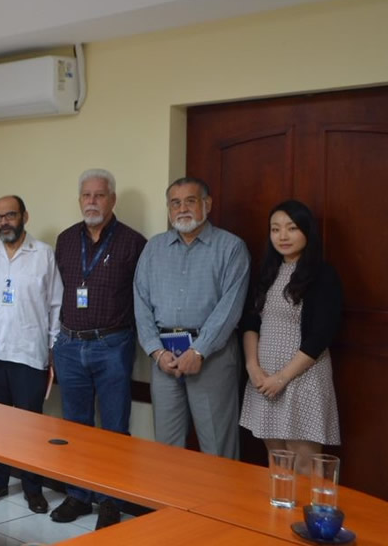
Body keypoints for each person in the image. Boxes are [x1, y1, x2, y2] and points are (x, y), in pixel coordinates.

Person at [51, 169, 146, 529]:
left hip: (112, 345)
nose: (92, 201)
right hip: (70, 344)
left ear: (112, 199)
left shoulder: (134, 242)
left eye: (100, 195)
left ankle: (111, 501)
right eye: (86, 195)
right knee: (75, 428)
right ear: (79, 200)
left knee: (114, 431)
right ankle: (78, 495)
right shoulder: (64, 240)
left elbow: (142, 297)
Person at [134, 177, 250, 459]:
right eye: (175, 203)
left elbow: (230, 308)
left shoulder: (231, 248)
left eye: (190, 201)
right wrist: (156, 352)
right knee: (167, 448)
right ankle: (171, 504)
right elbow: (140, 302)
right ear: (168, 209)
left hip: (212, 358)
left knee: (217, 448)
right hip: (165, 360)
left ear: (206, 205)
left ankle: (217, 506)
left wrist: (199, 350)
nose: (182, 208)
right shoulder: (154, 248)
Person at [0, 195, 61, 511]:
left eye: (10, 215)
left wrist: (51, 348)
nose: (4, 222)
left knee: (29, 426)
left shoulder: (43, 255)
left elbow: (55, 305)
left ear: (25, 216)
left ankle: (33, 488)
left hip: (28, 354)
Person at [240, 200, 342, 472]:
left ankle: (307, 516)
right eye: (275, 229)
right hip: (264, 378)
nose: (282, 236)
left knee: (305, 464)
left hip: (302, 378)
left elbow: (320, 335)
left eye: (291, 228)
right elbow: (250, 322)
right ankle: (279, 515)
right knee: (277, 464)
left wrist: (282, 378)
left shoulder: (322, 275)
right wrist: (253, 368)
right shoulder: (266, 273)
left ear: (307, 231)